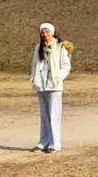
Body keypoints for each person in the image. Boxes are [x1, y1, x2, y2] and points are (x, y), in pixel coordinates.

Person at [30, 22, 72, 153]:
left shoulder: (60, 47)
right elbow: (34, 64)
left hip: (54, 86)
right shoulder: (38, 48)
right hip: (41, 86)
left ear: (52, 32)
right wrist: (33, 78)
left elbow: (66, 66)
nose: (44, 34)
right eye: (42, 32)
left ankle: (55, 143)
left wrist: (58, 77)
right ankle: (43, 142)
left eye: (47, 31)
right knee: (44, 115)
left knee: (54, 115)